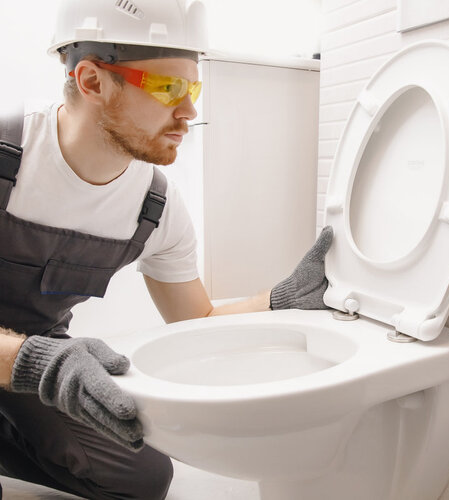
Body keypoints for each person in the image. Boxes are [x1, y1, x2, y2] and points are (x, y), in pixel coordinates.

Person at [0, 0, 333, 498]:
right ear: (91, 81)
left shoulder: (153, 206)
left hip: (36, 366)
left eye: (193, 88)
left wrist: (277, 302)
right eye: (169, 88)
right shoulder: (10, 155)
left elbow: (193, 320)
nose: (190, 110)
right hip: (33, 362)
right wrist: (38, 361)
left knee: (142, 479)